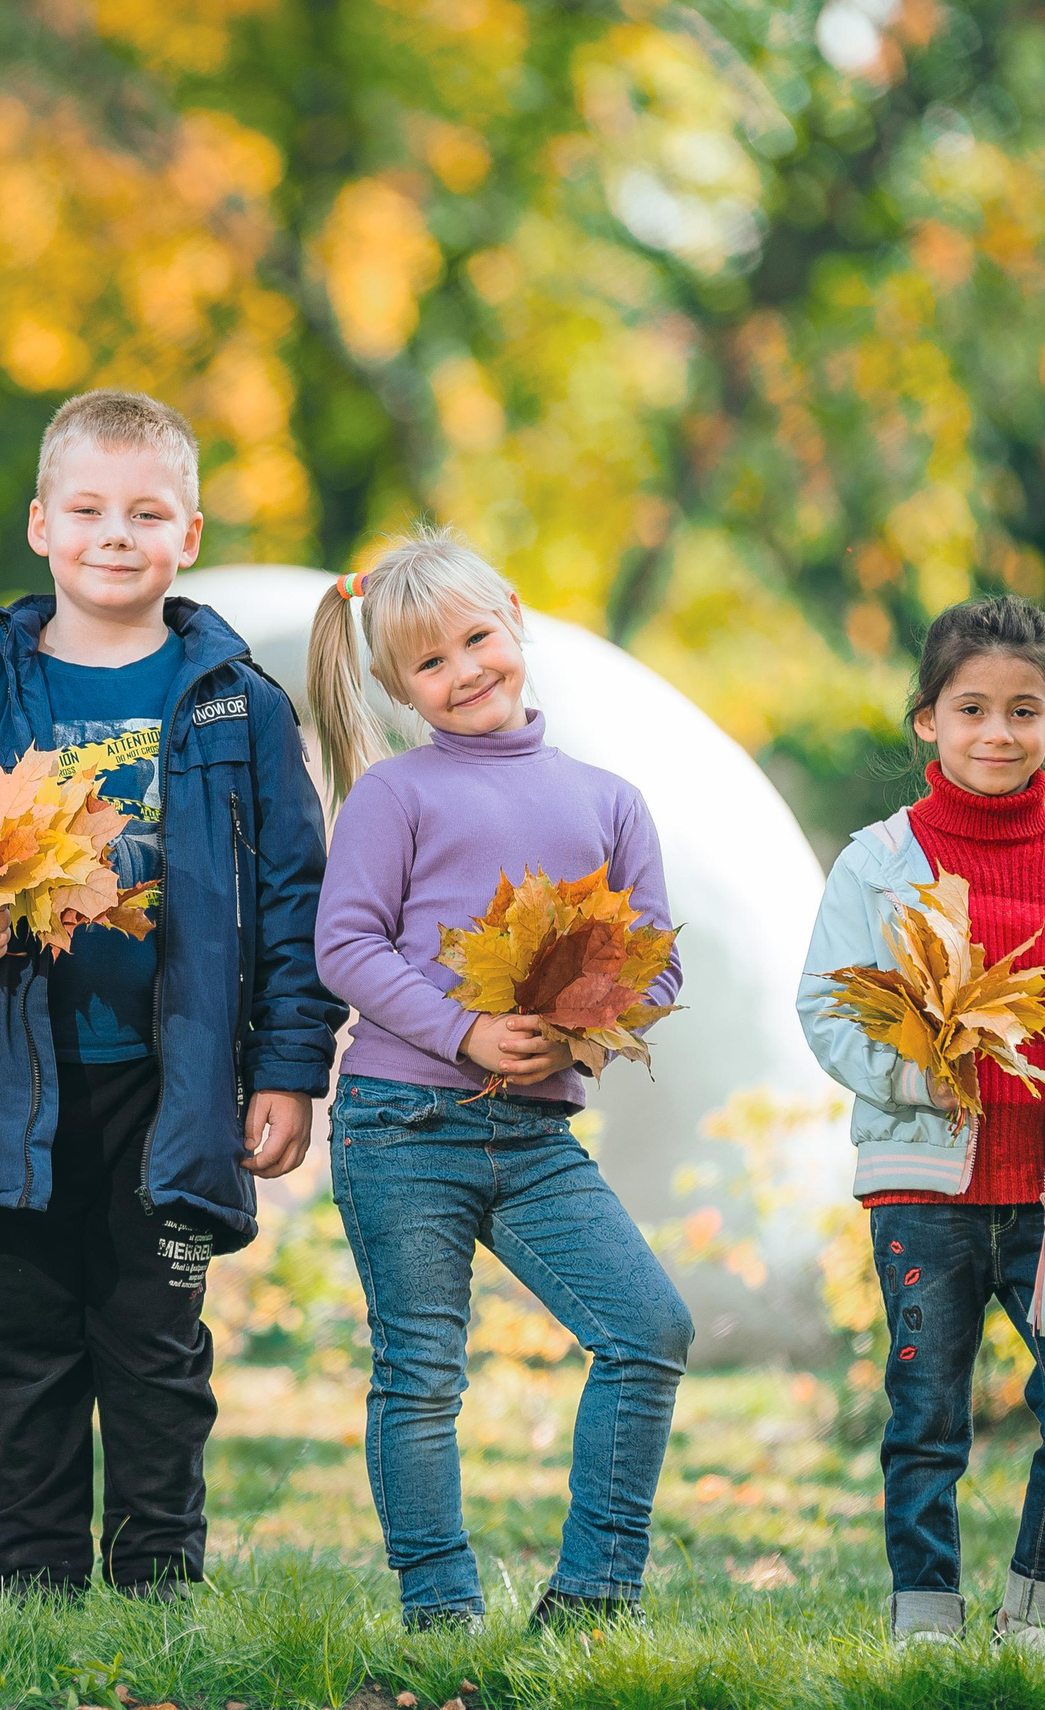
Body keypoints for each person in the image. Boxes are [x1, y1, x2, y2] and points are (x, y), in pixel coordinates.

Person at [0, 390, 344, 1597]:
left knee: (156, 1347)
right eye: (87, 509)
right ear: (40, 524)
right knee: (21, 1347)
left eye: (146, 513)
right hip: (13, 1083)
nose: (115, 535)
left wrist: (288, 1068)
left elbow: (295, 900)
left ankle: (158, 1583)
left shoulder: (237, 700)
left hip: (175, 1086)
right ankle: (32, 1587)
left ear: (188, 534)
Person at [308, 527, 692, 1633]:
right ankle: (439, 1610)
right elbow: (348, 946)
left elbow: (653, 953)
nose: (465, 670)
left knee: (647, 1329)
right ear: (395, 683)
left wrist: (579, 1036)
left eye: (478, 639)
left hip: (533, 1138)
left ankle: (593, 1595)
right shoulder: (394, 796)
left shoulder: (610, 800)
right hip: (400, 1122)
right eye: (431, 663)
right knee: (422, 1373)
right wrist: (461, 1034)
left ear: (514, 617)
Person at [798, 594, 1045, 1666]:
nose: (995, 733)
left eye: (1022, 709)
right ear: (927, 720)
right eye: (970, 709)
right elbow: (824, 1007)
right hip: (924, 1192)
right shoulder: (878, 863)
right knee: (926, 1419)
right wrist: (925, 1071)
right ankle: (925, 1616)